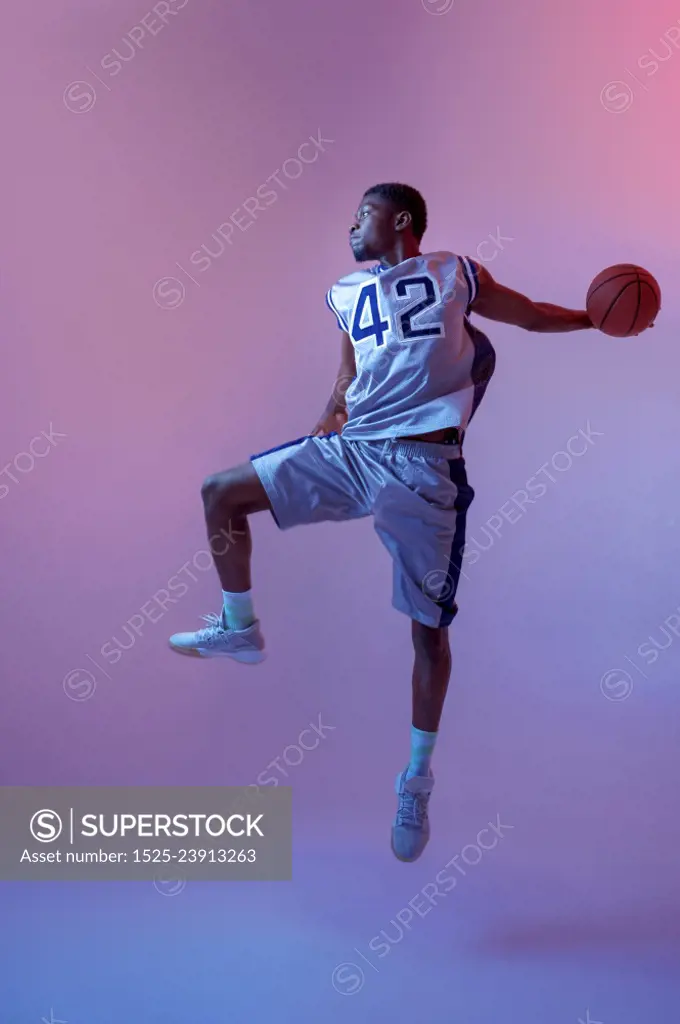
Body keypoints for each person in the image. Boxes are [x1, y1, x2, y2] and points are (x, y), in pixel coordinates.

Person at [169, 183, 592, 862]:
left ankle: (416, 779)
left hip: (424, 470)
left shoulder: (455, 270)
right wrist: (321, 430)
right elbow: (345, 381)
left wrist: (594, 318)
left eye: (360, 215)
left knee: (428, 638)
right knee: (221, 493)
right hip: (353, 451)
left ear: (399, 220)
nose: (350, 227)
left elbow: (532, 316)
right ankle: (239, 627)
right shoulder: (345, 292)